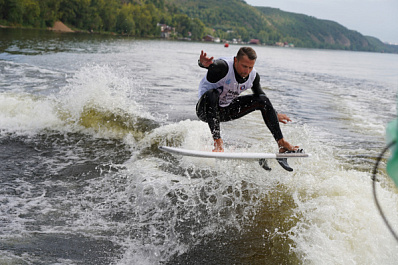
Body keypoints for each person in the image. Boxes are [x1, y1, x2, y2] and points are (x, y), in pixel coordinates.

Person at [196, 47, 299, 155]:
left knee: (262, 100)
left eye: (250, 67)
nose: (246, 71)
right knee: (212, 93)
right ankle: (217, 141)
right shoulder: (224, 67)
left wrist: (274, 113)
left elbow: (261, 96)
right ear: (236, 60)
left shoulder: (253, 76)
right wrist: (202, 63)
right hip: (205, 111)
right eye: (244, 66)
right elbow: (211, 65)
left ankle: (281, 143)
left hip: (226, 111)